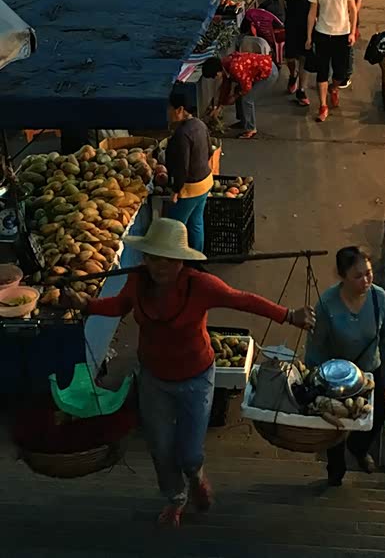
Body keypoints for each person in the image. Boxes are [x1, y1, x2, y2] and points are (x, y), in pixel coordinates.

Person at [62, 217, 315, 526]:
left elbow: (243, 300)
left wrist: (288, 315)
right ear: (145, 257)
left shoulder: (200, 285)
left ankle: (196, 476)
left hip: (196, 378)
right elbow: (118, 306)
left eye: (169, 259)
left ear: (181, 261)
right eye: (154, 257)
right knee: (160, 447)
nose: (160, 266)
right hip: (153, 378)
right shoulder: (138, 281)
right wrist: (87, 305)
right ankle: (175, 497)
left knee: (191, 454)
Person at [306, 246, 385, 486]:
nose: (366, 281)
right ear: (342, 276)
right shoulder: (327, 304)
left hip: (370, 372)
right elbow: (315, 348)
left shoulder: (379, 298)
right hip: (335, 378)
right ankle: (335, 470)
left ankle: (358, 449)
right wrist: (313, 385)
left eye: (368, 273)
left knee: (376, 419)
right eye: (358, 276)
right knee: (336, 428)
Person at [306, 0, 357, 122]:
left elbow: (352, 10)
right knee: (322, 71)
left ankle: (333, 88)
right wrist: (309, 36)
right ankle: (322, 105)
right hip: (322, 33)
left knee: (340, 72)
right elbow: (312, 13)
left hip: (342, 34)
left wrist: (352, 32)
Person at [165, 88, 213, 255]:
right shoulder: (200, 124)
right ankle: (196, 258)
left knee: (175, 227)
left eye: (170, 109)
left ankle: (175, 260)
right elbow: (210, 151)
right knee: (196, 223)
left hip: (190, 189)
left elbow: (182, 167)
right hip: (205, 182)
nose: (168, 112)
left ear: (179, 110)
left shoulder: (182, 134)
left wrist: (176, 190)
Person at [202, 50, 277, 140]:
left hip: (268, 72)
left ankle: (251, 129)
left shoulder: (235, 68)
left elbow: (246, 88)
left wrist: (235, 96)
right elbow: (225, 87)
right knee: (238, 91)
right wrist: (219, 106)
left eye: (214, 77)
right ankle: (243, 121)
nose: (215, 79)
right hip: (262, 68)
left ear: (217, 73)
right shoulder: (225, 64)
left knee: (247, 99)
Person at [285, 0, 322, 106]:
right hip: (291, 23)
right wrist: (284, 11)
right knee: (290, 57)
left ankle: (301, 90)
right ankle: (292, 75)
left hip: (308, 25)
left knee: (304, 57)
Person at [335, 0, 365, 86]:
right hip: (336, 16)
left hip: (349, 18)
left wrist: (352, 15)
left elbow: (359, 0)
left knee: (348, 46)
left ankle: (347, 74)